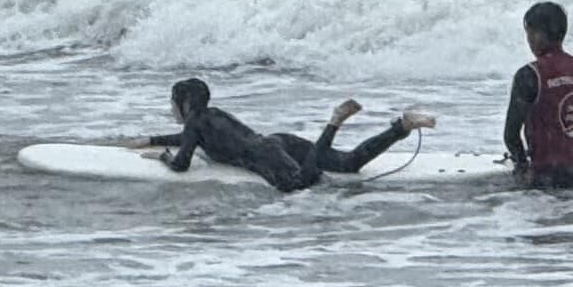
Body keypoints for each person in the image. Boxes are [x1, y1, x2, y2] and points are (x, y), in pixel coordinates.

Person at [142, 79, 430, 194]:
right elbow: (190, 139)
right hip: (279, 142)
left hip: (269, 159)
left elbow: (181, 164)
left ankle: (334, 122)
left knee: (301, 184)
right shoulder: (213, 115)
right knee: (350, 163)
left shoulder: (194, 123)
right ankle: (402, 126)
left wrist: (163, 157)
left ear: (186, 105)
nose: (171, 109)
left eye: (172, 103)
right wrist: (153, 139)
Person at [502, 0, 573, 190]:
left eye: (530, 33)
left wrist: (523, 167)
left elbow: (511, 135)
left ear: (538, 33)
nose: (529, 40)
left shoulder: (530, 74)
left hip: (546, 178)